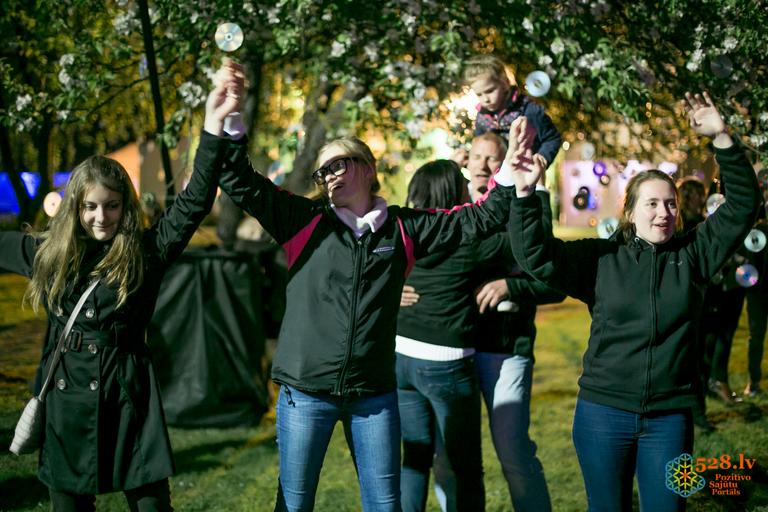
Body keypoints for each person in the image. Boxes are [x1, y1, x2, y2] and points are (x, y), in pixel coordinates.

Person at [212, 63, 533, 512]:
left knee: (386, 504)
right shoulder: (303, 221)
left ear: (367, 168)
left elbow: (480, 218)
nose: (329, 175)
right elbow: (239, 181)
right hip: (305, 393)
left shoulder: (403, 227)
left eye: (338, 164)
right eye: (322, 172)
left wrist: (510, 171)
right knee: (295, 504)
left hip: (374, 398)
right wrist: (231, 118)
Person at [0, 63, 243, 511]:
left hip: (128, 395)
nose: (101, 217)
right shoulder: (47, 253)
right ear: (75, 207)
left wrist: (213, 122)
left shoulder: (145, 251)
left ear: (125, 206)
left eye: (111, 206)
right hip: (66, 404)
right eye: (90, 206)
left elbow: (194, 202)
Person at [506, 91, 760, 512]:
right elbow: (537, 256)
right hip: (602, 416)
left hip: (671, 420)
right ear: (630, 211)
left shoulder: (694, 255)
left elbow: (744, 206)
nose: (664, 212)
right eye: (653, 203)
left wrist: (721, 137)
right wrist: (527, 194)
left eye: (671, 204)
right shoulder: (602, 258)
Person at [429, 131, 562, 512]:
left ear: (506, 164)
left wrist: (510, 286)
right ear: (466, 162)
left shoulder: (524, 203)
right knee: (446, 455)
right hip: (454, 350)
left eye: (493, 159)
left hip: (505, 348)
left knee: (513, 451)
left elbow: (552, 279)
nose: (484, 166)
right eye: (477, 157)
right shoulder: (450, 206)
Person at [452, 54, 561, 173]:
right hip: (496, 176)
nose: (485, 99)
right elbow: (481, 146)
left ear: (504, 83)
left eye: (490, 91)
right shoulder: (481, 117)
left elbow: (552, 138)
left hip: (525, 173)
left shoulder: (528, 110)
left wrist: (541, 159)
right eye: (479, 94)